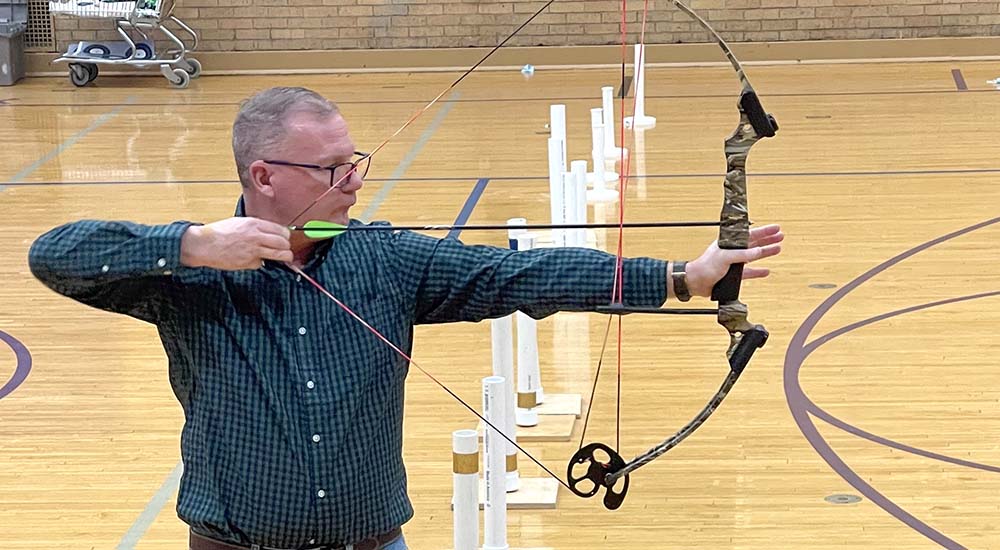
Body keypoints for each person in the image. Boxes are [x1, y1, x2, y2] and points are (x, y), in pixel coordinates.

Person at [28, 86, 783, 550]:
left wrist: (682, 277)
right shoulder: (186, 278)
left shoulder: (384, 260)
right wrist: (190, 244)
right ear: (263, 176)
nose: (353, 180)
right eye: (331, 169)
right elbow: (53, 254)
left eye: (354, 160)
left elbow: (515, 271)